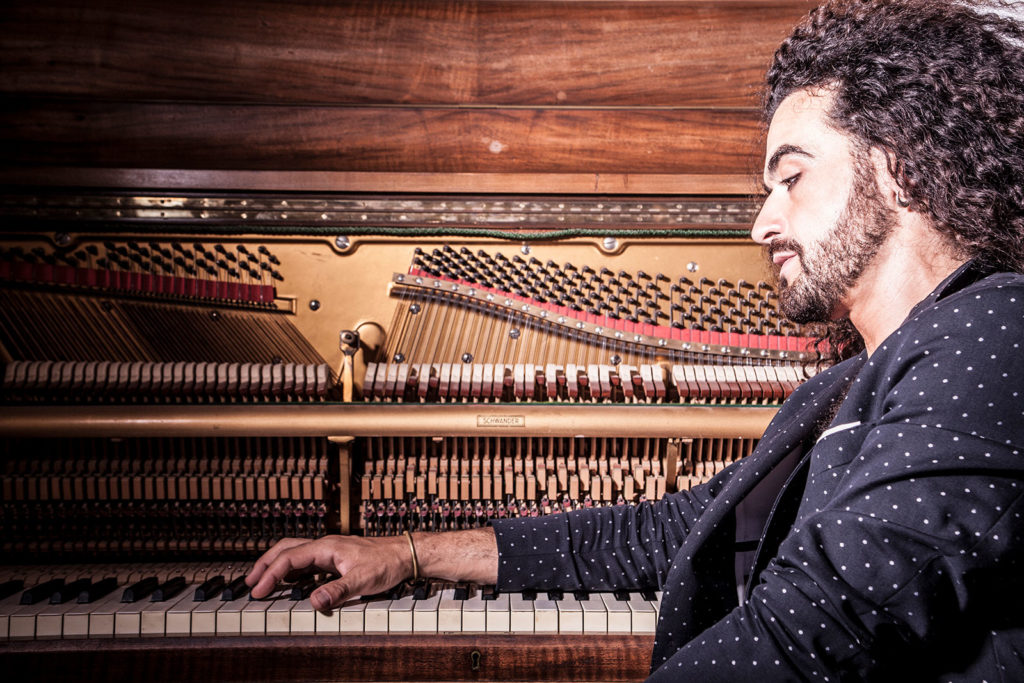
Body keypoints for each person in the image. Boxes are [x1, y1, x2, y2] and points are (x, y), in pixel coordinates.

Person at [246, 0, 1024, 679]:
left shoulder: (996, 325)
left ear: (901, 172)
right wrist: (411, 554)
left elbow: (829, 618)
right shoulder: (844, 385)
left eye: (791, 178)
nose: (763, 222)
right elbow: (675, 530)